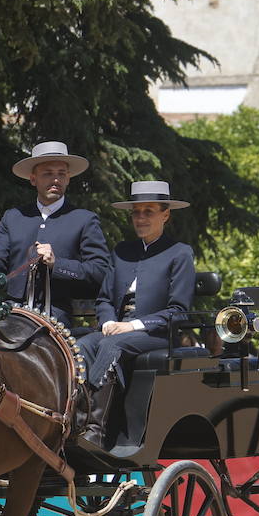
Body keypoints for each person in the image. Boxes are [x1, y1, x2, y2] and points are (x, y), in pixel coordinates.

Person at [73, 181, 194, 452]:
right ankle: (74, 421)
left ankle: (96, 429)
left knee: (110, 345)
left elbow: (179, 311)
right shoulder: (122, 252)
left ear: (166, 215)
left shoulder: (180, 253)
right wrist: (106, 322)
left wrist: (131, 326)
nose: (140, 218)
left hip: (157, 335)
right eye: (136, 212)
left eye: (148, 211)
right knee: (80, 345)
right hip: (115, 329)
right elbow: (104, 299)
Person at [0, 141, 110, 329]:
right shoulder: (13, 217)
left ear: (68, 178)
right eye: (48, 173)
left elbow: (101, 272)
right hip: (10, 313)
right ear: (33, 179)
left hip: (56, 318)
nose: (56, 180)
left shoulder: (84, 220)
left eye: (61, 174)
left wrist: (57, 264)